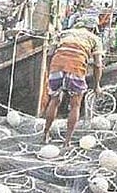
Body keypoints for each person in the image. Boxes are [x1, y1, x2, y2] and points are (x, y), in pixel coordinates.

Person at [43, 13, 104, 146]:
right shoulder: (95, 39)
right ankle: (67, 142)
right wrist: (97, 85)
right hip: (76, 67)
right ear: (93, 28)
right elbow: (98, 64)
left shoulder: (63, 33)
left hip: (57, 65)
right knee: (75, 105)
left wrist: (49, 71)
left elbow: (49, 54)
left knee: (54, 100)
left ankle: (45, 134)